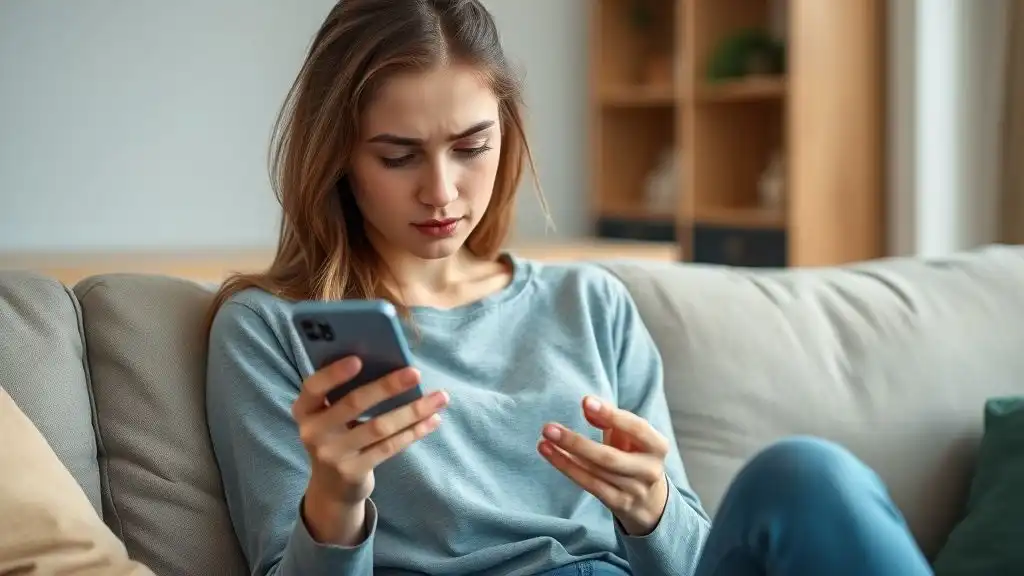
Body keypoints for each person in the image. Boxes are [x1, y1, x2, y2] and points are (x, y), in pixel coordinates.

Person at [203, 1, 934, 575]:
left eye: (470, 148)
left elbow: (688, 562)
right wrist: (336, 499)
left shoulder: (591, 303)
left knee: (806, 473)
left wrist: (650, 508)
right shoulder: (272, 327)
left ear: (507, 136)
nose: (442, 190)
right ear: (338, 158)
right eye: (398, 156)